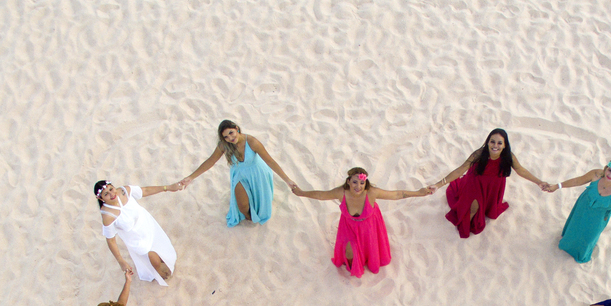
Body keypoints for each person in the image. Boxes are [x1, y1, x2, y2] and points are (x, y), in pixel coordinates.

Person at [293, 167, 431, 277]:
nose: (358, 186)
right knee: (349, 255)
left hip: (369, 226)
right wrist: (301, 193)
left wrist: (419, 192)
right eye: (355, 182)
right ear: (348, 181)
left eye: (362, 183)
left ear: (365, 183)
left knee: (369, 248)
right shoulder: (341, 192)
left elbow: (397, 194)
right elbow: (321, 195)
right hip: (349, 227)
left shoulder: (371, 192)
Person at [431, 128, 550, 238]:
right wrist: (438, 185)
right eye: (492, 142)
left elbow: (521, 170)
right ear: (487, 142)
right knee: (473, 209)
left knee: (488, 206)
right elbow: (460, 170)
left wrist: (539, 182)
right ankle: (464, 227)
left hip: (494, 186)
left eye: (499, 143)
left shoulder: (508, 157)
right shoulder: (479, 154)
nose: (495, 146)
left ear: (504, 145)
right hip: (475, 184)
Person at [176, 120, 298, 226]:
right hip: (240, 175)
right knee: (243, 206)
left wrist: (287, 180)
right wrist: (191, 177)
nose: (230, 138)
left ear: (237, 129)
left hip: (257, 173)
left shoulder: (252, 142)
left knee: (259, 203)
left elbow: (270, 161)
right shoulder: (224, 145)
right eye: (226, 137)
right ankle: (249, 217)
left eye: (231, 133)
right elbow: (210, 161)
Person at [95, 180, 180, 284]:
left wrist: (167, 188)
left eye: (111, 189)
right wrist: (121, 261)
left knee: (160, 248)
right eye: (106, 194)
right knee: (155, 260)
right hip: (137, 239)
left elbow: (145, 190)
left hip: (148, 226)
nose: (112, 194)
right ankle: (157, 271)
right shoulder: (107, 215)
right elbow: (111, 240)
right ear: (101, 198)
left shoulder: (124, 191)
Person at [548, 157, 611, 262]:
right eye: (609, 170)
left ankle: (581, 254)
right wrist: (557, 186)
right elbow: (577, 181)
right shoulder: (596, 174)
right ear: (606, 168)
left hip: (599, 217)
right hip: (583, 206)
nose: (610, 175)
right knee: (575, 227)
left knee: (589, 236)